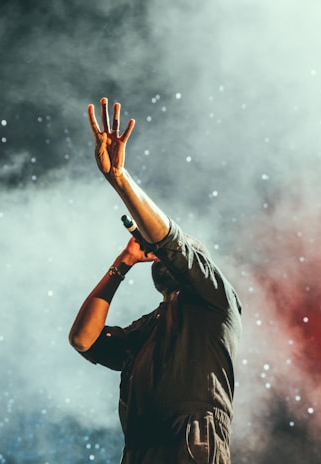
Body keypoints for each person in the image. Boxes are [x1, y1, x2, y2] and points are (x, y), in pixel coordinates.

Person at [69, 97, 242, 464]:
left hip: (191, 444)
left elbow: (171, 241)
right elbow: (83, 339)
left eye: (172, 255)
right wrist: (123, 263)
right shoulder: (146, 328)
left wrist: (120, 179)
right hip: (139, 449)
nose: (161, 256)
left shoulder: (215, 299)